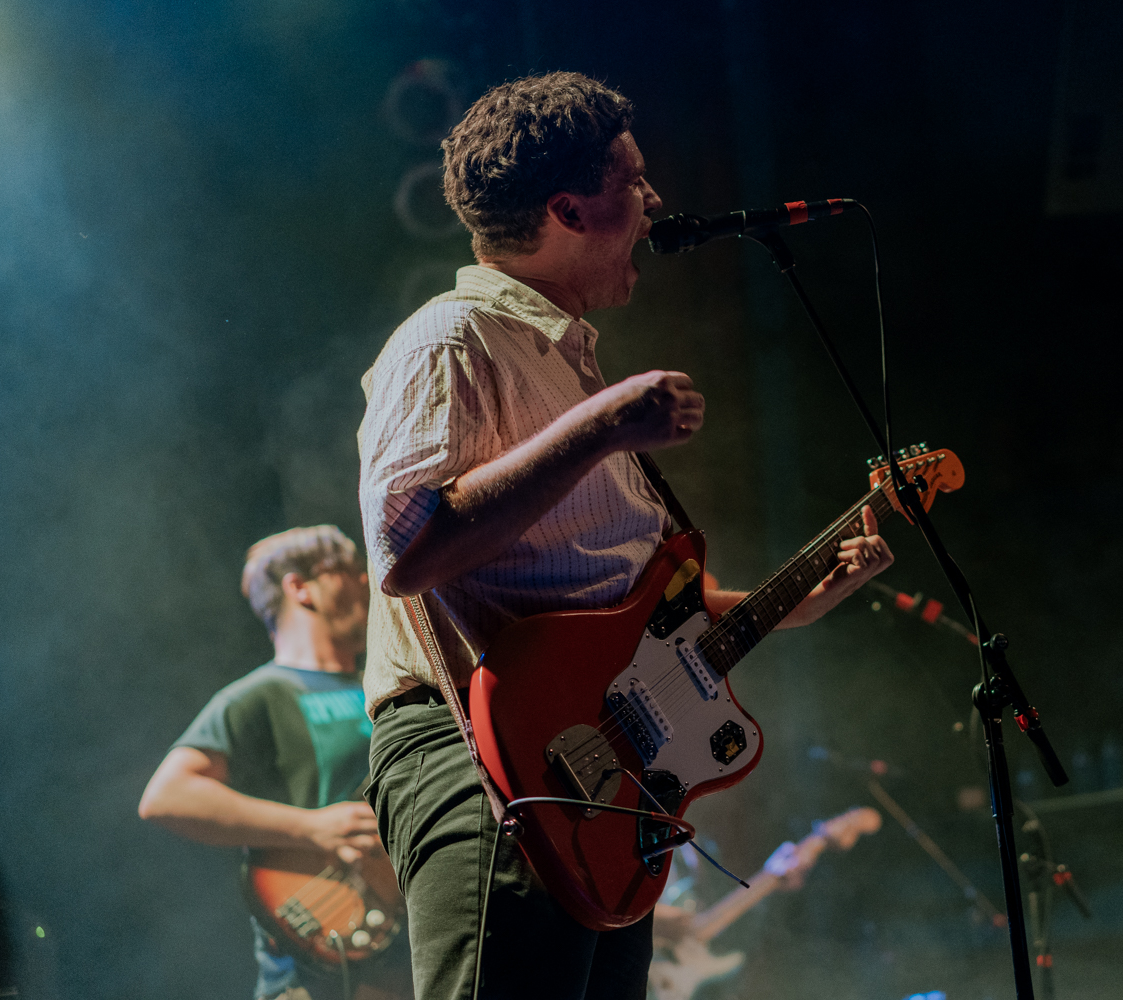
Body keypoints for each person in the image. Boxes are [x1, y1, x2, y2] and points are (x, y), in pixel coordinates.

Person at [357, 71, 893, 1000]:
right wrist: (601, 426)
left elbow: (613, 611)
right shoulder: (451, 339)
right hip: (485, 748)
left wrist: (797, 603)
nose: (654, 203)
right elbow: (407, 549)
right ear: (568, 207)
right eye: (634, 181)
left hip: (599, 771)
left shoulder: (560, 360)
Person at [139, 526, 412, 1000]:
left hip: (404, 954)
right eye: (346, 570)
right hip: (320, 965)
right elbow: (167, 797)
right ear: (299, 586)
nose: (366, 582)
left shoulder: (388, 684)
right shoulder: (258, 695)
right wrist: (311, 828)